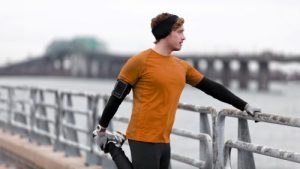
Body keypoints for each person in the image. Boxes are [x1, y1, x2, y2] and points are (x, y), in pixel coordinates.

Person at [93, 12, 261, 169]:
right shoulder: (139, 62)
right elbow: (117, 97)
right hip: (142, 137)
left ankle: (114, 145)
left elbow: (212, 87)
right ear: (167, 32)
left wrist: (244, 105)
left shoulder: (182, 67)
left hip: (165, 140)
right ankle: (113, 147)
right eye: (180, 32)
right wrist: (101, 129)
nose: (184, 37)